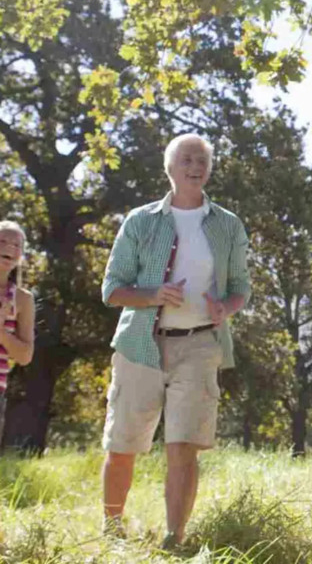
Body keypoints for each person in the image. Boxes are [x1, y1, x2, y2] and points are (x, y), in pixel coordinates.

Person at [100, 134, 251, 549]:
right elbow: (111, 288)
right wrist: (151, 295)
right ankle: (112, 532)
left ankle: (174, 539)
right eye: (186, 158)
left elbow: (241, 287)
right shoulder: (141, 220)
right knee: (123, 443)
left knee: (184, 445)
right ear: (170, 168)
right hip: (140, 344)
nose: (195, 164)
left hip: (201, 344)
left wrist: (227, 308)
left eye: (202, 159)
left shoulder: (228, 224)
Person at [0, 220, 35, 444]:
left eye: (16, 245)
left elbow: (24, 356)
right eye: (2, 241)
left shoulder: (23, 299)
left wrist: (2, 333)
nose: (10, 248)